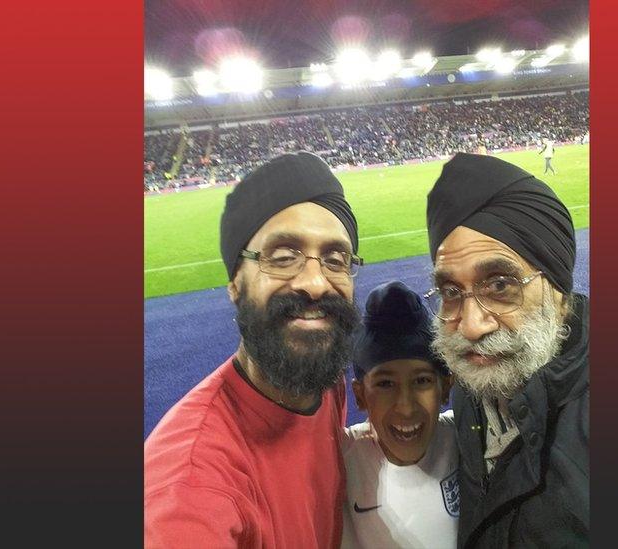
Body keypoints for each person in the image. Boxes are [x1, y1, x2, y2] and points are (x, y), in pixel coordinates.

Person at [144, 151, 363, 548]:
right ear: (234, 283)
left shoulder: (318, 373)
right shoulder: (191, 484)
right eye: (282, 257)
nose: (316, 283)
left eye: (336, 259)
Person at [425, 153, 588, 547]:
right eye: (450, 292)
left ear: (560, 296)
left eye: (500, 286)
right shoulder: (476, 382)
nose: (470, 325)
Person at [341, 281, 458, 549]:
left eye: (422, 381)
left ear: (445, 388)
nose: (405, 407)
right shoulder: (340, 462)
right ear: (360, 396)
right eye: (385, 384)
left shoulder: (465, 438)